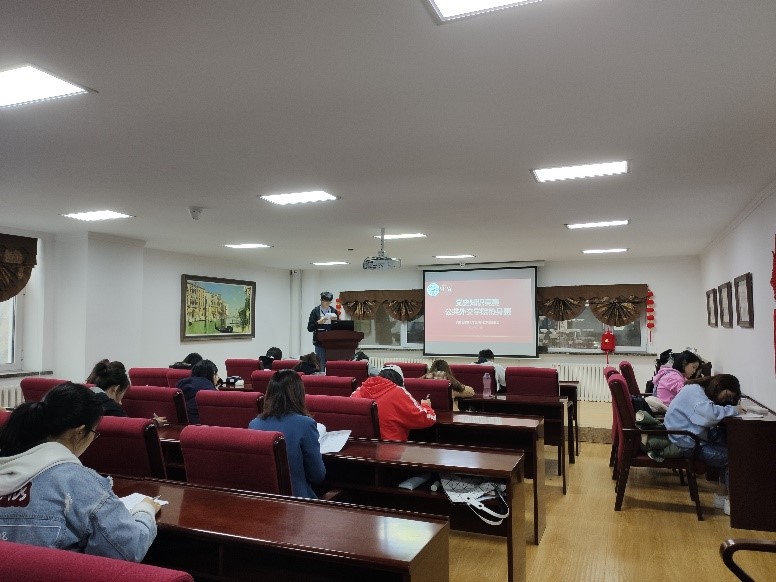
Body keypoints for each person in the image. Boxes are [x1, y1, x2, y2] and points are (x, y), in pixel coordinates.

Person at [0, 383, 160, 560]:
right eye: (94, 433)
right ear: (79, 432)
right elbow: (128, 549)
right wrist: (145, 510)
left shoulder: (7, 463)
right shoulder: (76, 481)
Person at [663, 374, 743, 514]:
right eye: (727, 395)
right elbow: (709, 416)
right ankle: (731, 502)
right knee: (732, 458)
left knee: (729, 445)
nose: (725, 400)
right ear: (719, 386)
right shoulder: (694, 391)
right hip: (686, 444)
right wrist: (734, 410)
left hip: (688, 437)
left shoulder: (697, 389)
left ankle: (721, 496)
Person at [248, 370, 325, 499]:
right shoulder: (306, 424)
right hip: (300, 503)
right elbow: (317, 476)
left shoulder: (254, 424)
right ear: (299, 394)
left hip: (265, 501)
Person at [350, 365, 436, 441]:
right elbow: (427, 419)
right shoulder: (399, 392)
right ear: (400, 381)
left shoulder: (357, 392)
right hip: (393, 449)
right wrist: (426, 406)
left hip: (361, 447)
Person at [176, 359, 219, 424]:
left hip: (179, 423)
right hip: (198, 425)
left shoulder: (181, 384)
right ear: (212, 374)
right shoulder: (209, 391)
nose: (218, 377)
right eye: (216, 374)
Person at [307, 291, 338, 371]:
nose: (327, 303)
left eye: (329, 301)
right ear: (321, 300)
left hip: (331, 342)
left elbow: (337, 327)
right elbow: (309, 328)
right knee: (321, 364)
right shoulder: (315, 311)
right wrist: (318, 323)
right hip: (319, 342)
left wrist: (335, 322)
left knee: (331, 365)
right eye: (325, 301)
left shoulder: (334, 311)